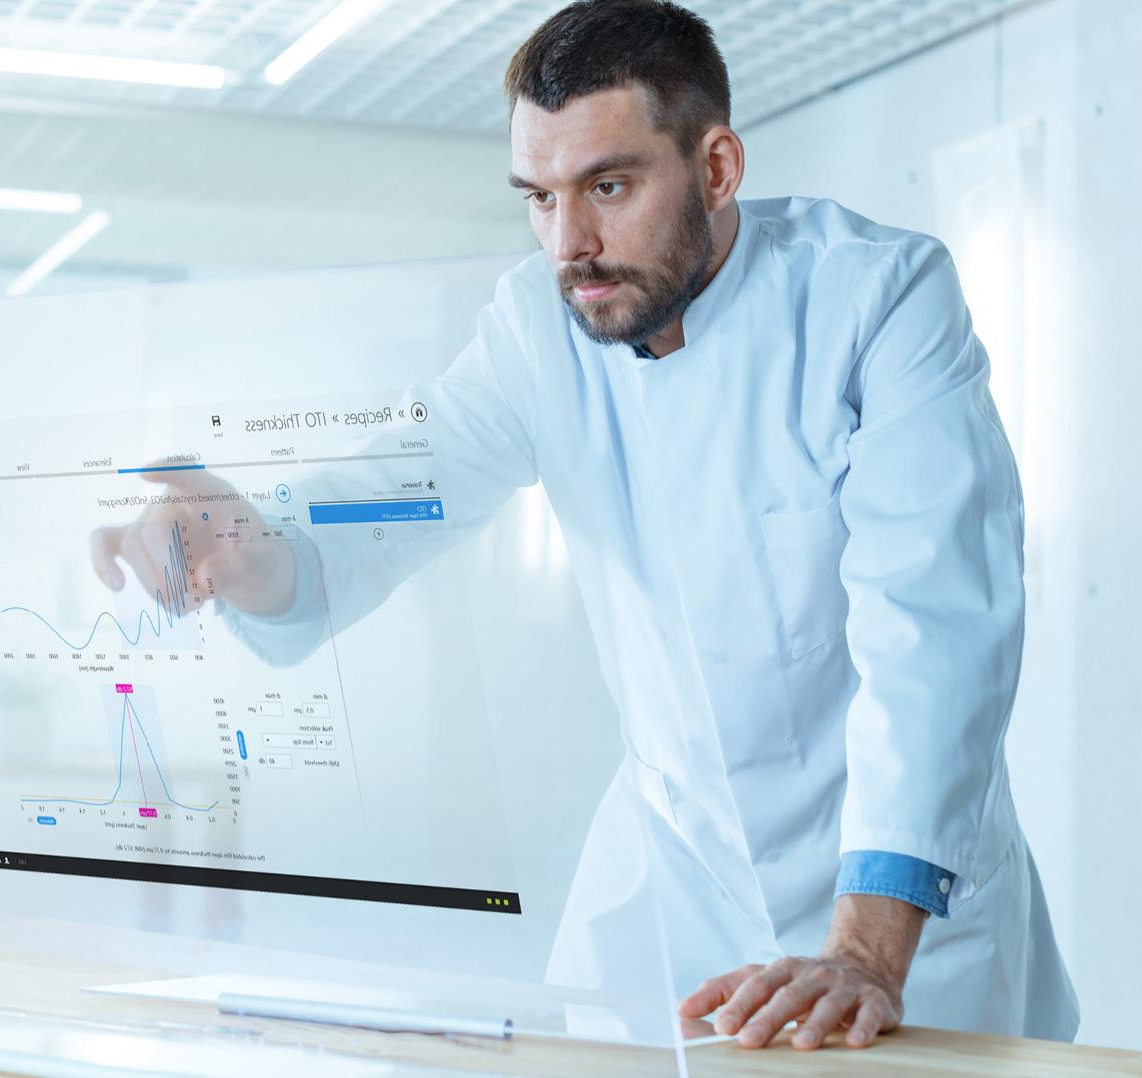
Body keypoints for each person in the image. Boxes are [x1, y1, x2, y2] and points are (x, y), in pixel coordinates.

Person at [92, 0, 1078, 1049]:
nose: (571, 244)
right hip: (675, 880)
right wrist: (249, 547)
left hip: (901, 901)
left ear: (717, 167)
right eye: (538, 198)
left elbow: (936, 626)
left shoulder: (878, 298)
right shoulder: (537, 326)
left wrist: (867, 950)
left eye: (608, 187)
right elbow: (398, 485)